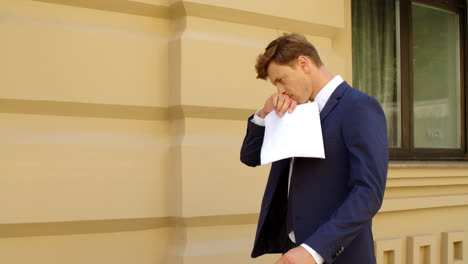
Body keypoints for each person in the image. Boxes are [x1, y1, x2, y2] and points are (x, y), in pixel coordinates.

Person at [240, 33, 388, 264]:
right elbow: (250, 156)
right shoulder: (294, 112)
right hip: (293, 251)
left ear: (303, 63)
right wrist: (264, 114)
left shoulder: (359, 107)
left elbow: (368, 192)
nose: (280, 90)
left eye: (281, 80)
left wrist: (313, 250)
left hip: (337, 255)